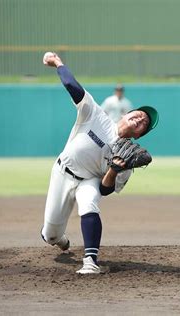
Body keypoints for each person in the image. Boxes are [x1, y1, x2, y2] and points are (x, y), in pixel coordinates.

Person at [40, 52, 159, 274]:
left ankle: (90, 261)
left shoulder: (129, 156)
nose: (140, 118)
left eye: (144, 123)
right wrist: (58, 63)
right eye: (139, 114)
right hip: (62, 172)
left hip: (90, 180)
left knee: (90, 201)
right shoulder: (96, 115)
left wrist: (115, 169)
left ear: (140, 135)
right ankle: (60, 238)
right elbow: (73, 87)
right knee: (50, 235)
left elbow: (105, 190)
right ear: (126, 115)